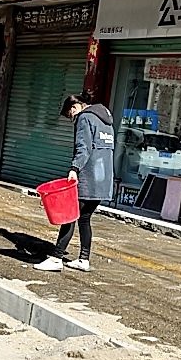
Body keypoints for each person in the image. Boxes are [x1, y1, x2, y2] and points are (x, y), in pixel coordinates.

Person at [36, 94, 114, 273]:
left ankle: (56, 258)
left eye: (70, 115)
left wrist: (74, 169)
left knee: (69, 216)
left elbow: (83, 147)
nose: (72, 118)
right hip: (103, 180)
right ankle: (83, 259)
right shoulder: (106, 120)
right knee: (84, 218)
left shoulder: (85, 118)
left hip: (88, 177)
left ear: (74, 107)